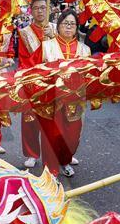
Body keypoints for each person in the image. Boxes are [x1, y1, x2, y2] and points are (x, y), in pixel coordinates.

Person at [37, 10, 91, 177]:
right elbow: (35, 73)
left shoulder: (85, 50)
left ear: (76, 27)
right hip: (52, 100)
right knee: (52, 137)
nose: (68, 27)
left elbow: (89, 76)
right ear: (58, 26)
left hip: (76, 101)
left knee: (72, 138)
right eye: (65, 23)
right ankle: (51, 169)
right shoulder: (46, 46)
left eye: (72, 24)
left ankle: (65, 160)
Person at [17, 0, 56, 169]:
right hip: (33, 81)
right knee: (30, 120)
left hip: (54, 82)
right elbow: (25, 60)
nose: (40, 11)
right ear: (31, 11)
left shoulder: (56, 28)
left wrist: (54, 37)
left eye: (43, 7)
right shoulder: (25, 32)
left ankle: (59, 153)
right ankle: (32, 153)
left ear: (49, 9)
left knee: (56, 122)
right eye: (37, 8)